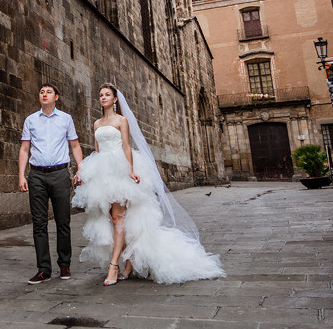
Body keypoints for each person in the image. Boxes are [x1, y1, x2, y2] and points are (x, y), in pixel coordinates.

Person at [72, 83, 225, 285]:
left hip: (120, 169)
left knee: (118, 218)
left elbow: (126, 146)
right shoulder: (97, 123)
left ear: (115, 99)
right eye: (101, 95)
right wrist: (85, 172)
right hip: (102, 172)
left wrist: (130, 170)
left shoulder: (122, 120)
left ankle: (114, 265)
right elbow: (97, 151)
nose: (103, 98)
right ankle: (128, 261)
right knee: (110, 218)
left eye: (107, 95)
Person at [19, 83, 84, 285]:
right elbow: (24, 149)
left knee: (63, 221)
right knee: (39, 223)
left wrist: (81, 169)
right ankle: (43, 269)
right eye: (41, 92)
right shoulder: (30, 120)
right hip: (37, 176)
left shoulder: (66, 119)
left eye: (49, 92)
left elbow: (74, 144)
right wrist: (21, 175)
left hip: (60, 174)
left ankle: (64, 264)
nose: (44, 94)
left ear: (57, 97)